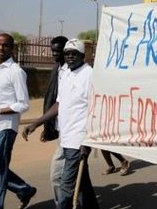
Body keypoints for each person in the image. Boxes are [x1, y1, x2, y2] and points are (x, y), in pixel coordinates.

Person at [22, 38, 99, 209]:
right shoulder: (65, 73)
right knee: (73, 180)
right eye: (67, 54)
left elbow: (95, 110)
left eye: (74, 54)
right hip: (64, 137)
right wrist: (36, 123)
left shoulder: (89, 75)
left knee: (65, 188)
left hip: (77, 140)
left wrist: (88, 141)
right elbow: (59, 104)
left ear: (82, 55)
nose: (70, 57)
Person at [0, 33, 37, 209]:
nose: (1, 48)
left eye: (6, 45)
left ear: (12, 48)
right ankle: (24, 190)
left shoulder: (16, 71)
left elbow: (23, 104)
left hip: (5, 126)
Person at [22, 36, 68, 205]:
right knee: (72, 178)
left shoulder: (77, 73)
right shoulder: (58, 70)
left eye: (59, 51)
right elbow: (54, 100)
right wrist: (44, 126)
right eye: (53, 51)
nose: (55, 54)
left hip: (73, 133)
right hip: (61, 128)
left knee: (58, 175)